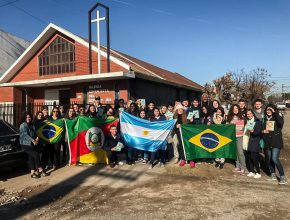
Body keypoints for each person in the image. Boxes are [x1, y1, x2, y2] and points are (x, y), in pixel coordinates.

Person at [262, 104, 287, 184]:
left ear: (274, 110)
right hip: (267, 141)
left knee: (274, 159)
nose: (269, 111)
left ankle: (282, 176)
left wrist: (275, 113)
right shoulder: (265, 118)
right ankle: (272, 174)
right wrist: (263, 131)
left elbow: (280, 124)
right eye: (267, 110)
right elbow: (262, 128)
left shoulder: (278, 117)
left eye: (271, 110)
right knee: (269, 159)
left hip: (276, 141)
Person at [20, 112, 48, 178]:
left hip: (32, 144)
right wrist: (33, 140)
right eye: (27, 117)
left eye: (29, 117)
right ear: (24, 118)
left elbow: (35, 133)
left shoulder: (32, 125)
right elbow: (25, 135)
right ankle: (40, 170)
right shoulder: (23, 125)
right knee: (36, 155)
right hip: (25, 144)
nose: (28, 118)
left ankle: (32, 173)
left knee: (31, 157)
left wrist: (37, 138)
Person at [227, 104, 246, 175]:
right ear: (232, 109)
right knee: (236, 152)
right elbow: (227, 126)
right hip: (232, 137)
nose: (235, 110)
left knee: (240, 152)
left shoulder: (241, 117)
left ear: (239, 109)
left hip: (240, 136)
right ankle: (238, 166)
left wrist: (237, 124)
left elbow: (244, 126)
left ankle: (243, 168)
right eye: (234, 108)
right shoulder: (229, 117)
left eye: (237, 108)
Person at [243, 109, 262, 179]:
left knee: (254, 157)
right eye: (247, 114)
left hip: (254, 141)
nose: (249, 115)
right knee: (248, 156)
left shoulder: (257, 122)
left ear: (253, 114)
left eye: (250, 113)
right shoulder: (247, 121)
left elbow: (259, 132)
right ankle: (251, 171)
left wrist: (252, 132)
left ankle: (258, 172)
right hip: (247, 141)